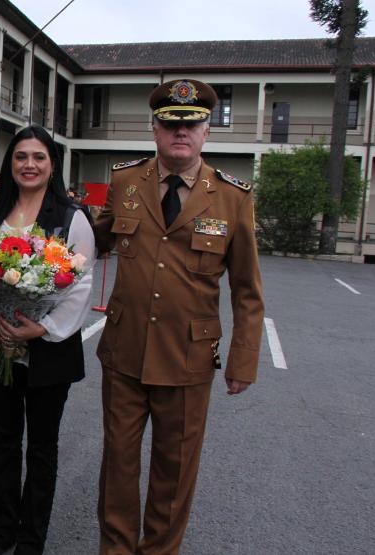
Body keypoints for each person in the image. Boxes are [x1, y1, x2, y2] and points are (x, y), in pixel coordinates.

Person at [93, 79, 264, 555]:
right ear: (155, 129)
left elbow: (247, 290)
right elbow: (94, 240)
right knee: (118, 467)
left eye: (192, 124)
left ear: (206, 131)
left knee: (174, 473)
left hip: (188, 360)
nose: (181, 133)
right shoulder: (126, 181)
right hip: (125, 353)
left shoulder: (232, 197)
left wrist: (243, 360)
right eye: (170, 124)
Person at [0, 125, 95, 555]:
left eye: (39, 157)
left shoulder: (71, 216)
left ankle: (31, 539)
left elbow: (81, 284)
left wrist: (42, 329)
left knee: (42, 448)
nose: (29, 165)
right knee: (4, 443)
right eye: (21, 156)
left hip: (50, 351)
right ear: (10, 162)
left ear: (52, 164)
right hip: (1, 345)